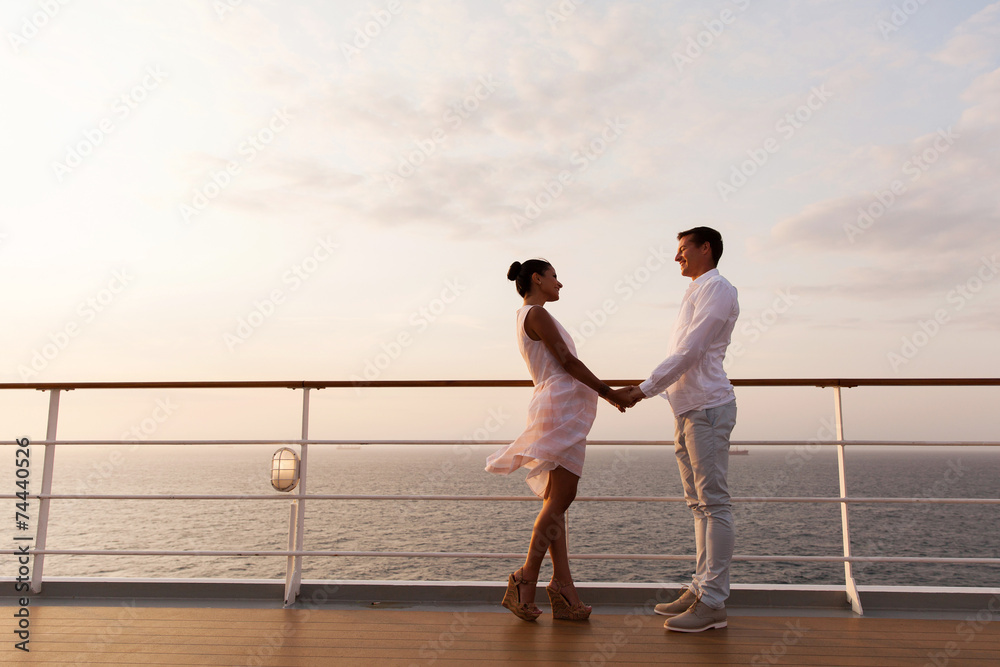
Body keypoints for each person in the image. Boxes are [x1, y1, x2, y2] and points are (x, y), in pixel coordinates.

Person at [486, 259, 632, 622]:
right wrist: (610, 393)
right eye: (554, 277)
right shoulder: (536, 314)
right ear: (537, 279)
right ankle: (525, 579)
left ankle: (563, 588)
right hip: (561, 407)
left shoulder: (527, 315)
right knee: (562, 498)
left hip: (558, 405)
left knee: (557, 500)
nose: (560, 284)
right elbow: (566, 362)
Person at [621, 227, 740, 633]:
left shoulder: (718, 289)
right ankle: (701, 588)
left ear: (705, 248)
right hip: (687, 408)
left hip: (707, 407)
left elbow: (690, 351)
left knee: (714, 504)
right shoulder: (696, 291)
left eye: (682, 249)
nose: (677, 258)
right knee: (698, 504)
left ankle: (713, 604)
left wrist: (641, 390)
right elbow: (684, 353)